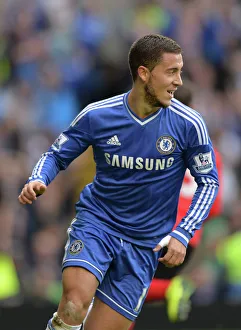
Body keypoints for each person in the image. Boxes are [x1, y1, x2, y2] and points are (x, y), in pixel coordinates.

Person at [18, 34, 219, 330]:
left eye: (180, 71)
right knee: (73, 306)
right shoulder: (98, 115)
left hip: (145, 244)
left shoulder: (189, 124)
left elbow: (209, 183)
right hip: (98, 225)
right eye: (172, 71)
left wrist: (182, 233)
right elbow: (56, 155)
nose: (179, 81)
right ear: (144, 73)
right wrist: (38, 178)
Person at [128, 84, 223, 330]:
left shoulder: (156, 142)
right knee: (129, 296)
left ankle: (172, 288)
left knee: (120, 288)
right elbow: (213, 209)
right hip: (188, 239)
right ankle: (171, 288)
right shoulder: (210, 151)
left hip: (157, 232)